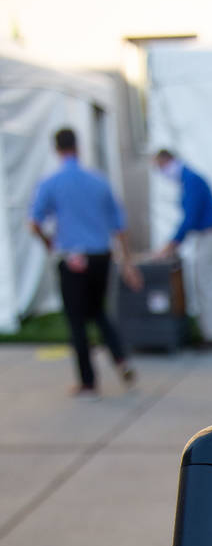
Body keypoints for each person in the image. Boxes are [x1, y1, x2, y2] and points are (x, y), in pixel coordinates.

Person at [29, 127, 141, 397]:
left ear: (57, 149)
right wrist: (127, 262)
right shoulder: (99, 181)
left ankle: (88, 381)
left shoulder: (51, 182)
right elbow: (120, 225)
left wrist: (50, 245)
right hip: (101, 256)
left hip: (73, 258)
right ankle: (121, 360)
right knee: (99, 312)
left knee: (77, 320)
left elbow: (34, 223)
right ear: (78, 146)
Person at [153, 149, 212, 348]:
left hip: (209, 234)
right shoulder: (188, 179)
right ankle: (209, 332)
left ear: (168, 161)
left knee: (204, 284)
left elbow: (189, 217)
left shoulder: (191, 179)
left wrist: (171, 244)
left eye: (160, 166)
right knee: (202, 283)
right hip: (205, 235)